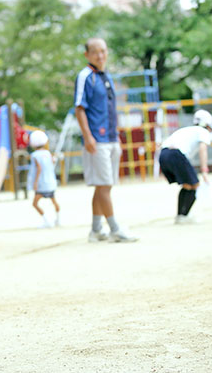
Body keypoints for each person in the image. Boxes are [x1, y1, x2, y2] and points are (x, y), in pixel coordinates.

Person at [74, 37, 137, 243]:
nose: (100, 55)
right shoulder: (86, 76)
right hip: (97, 139)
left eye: (103, 51)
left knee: (103, 186)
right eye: (95, 52)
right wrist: (88, 136)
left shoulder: (106, 76)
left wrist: (115, 133)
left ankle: (95, 229)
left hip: (111, 136)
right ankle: (114, 229)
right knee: (104, 184)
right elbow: (80, 108)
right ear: (87, 55)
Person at [157, 109, 212, 224]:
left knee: (187, 185)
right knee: (195, 184)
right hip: (176, 154)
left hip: (163, 154)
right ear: (206, 125)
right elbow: (203, 149)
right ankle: (183, 216)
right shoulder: (202, 131)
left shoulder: (186, 130)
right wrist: (204, 171)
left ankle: (181, 215)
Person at [26, 130, 60, 228]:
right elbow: (51, 163)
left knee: (35, 203)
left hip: (41, 184)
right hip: (50, 182)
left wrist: (35, 183)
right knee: (54, 201)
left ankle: (46, 220)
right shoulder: (48, 153)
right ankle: (58, 219)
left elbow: (39, 168)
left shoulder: (34, 155)